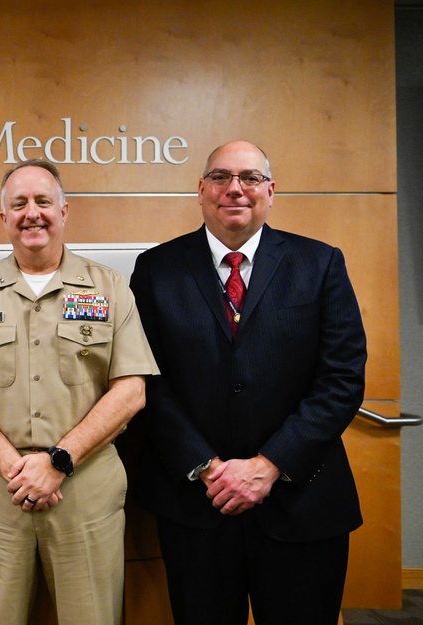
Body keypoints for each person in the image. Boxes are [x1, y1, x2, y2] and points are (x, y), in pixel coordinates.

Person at [129, 140, 367, 625]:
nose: (234, 188)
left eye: (250, 178)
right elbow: (146, 381)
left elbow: (341, 379)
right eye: (220, 177)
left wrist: (269, 464)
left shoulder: (320, 264)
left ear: (270, 191)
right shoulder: (156, 270)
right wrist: (207, 466)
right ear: (201, 190)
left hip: (302, 502)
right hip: (199, 502)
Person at [0, 159, 159, 625]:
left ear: (64, 210)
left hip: (85, 492)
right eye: (18, 204)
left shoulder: (110, 289)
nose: (31, 213)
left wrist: (59, 461)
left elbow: (131, 390)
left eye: (42, 202)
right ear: (3, 218)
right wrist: (13, 467)